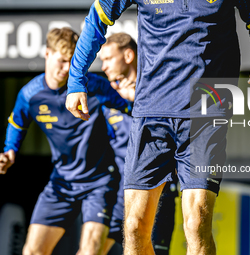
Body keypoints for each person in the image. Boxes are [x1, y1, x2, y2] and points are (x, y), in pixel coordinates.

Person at [65, 1, 250, 254]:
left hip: (205, 113)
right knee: (134, 226)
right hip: (150, 113)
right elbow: (97, 18)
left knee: (197, 222)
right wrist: (76, 80)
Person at [0, 27, 129, 255]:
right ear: (47, 54)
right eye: (62, 61)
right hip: (62, 182)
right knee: (32, 251)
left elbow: (130, 107)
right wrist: (10, 150)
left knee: (90, 252)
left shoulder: (95, 86)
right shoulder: (30, 94)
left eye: (72, 61)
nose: (68, 68)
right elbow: (17, 122)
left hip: (100, 182)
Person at [100, 32, 178, 255]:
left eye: (108, 59)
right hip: (117, 194)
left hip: (157, 191)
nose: (103, 66)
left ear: (128, 55)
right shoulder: (106, 98)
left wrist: (137, 98)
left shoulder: (158, 87)